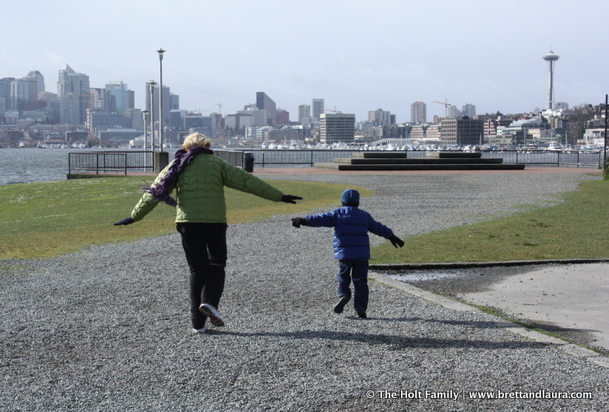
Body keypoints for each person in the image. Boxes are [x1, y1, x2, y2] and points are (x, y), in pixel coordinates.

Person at [114, 133, 302, 333]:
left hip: (188, 223)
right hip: (215, 222)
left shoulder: (177, 165)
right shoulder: (217, 164)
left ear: (185, 147)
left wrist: (135, 216)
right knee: (217, 263)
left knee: (197, 270)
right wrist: (279, 197)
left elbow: (154, 192)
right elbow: (248, 182)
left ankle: (198, 324)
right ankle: (210, 303)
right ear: (207, 146)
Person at [291, 189, 404, 318]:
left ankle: (344, 294)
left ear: (342, 202)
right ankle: (361, 309)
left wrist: (303, 220)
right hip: (361, 255)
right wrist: (392, 236)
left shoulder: (337, 214)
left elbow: (320, 219)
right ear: (358, 202)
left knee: (343, 276)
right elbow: (378, 227)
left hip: (344, 254)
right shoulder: (364, 216)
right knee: (361, 281)